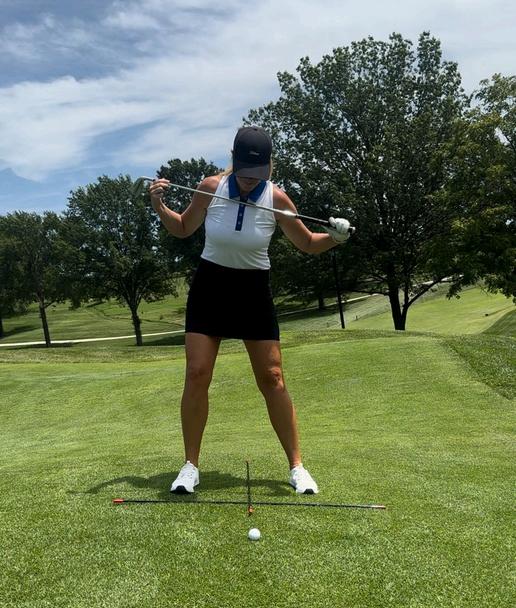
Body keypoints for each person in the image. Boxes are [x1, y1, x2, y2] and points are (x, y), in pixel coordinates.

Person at [149, 126, 351, 495]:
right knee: (197, 373)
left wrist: (335, 238)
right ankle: (190, 467)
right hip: (210, 288)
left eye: (256, 174)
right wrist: (160, 207)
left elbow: (307, 242)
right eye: (244, 172)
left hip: (253, 291)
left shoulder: (278, 199)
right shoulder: (211, 187)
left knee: (272, 378)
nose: (248, 180)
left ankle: (297, 467)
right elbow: (183, 228)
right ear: (234, 161)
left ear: (269, 167)